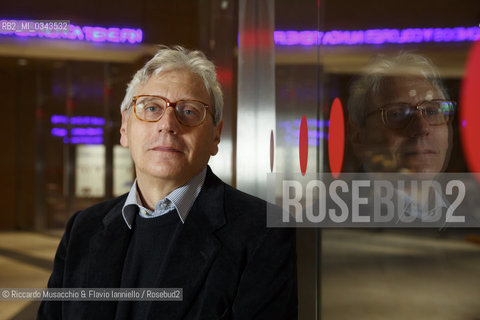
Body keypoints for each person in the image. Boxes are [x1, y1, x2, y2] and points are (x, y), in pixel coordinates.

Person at [37, 46, 297, 319]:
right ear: (125, 128)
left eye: (189, 111)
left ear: (215, 136)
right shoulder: (83, 229)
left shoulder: (262, 231)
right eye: (151, 107)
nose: (168, 124)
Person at [346, 52, 456, 221]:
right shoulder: (327, 226)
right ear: (358, 136)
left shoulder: (465, 218)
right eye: (397, 114)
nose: (422, 127)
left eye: (432, 111)